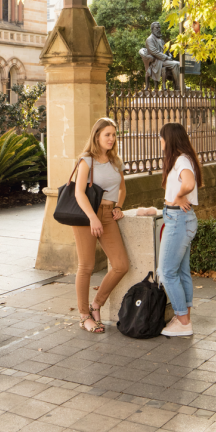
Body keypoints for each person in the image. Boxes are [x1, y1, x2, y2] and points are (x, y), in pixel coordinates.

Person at [69, 118, 129, 333]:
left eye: (113, 135)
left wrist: (119, 206)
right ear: (97, 136)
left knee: (121, 264)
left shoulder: (116, 162)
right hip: (87, 216)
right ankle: (84, 315)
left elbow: (122, 189)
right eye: (107, 135)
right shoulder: (86, 160)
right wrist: (93, 218)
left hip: (108, 215)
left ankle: (96, 305)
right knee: (86, 266)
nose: (111, 139)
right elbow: (78, 193)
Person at [158, 123, 203, 338]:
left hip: (178, 219)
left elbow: (189, 183)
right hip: (181, 219)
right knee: (181, 272)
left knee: (166, 272)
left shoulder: (181, 160)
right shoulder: (184, 158)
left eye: (161, 139)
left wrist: (178, 197)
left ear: (169, 139)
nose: (161, 143)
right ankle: (185, 317)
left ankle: (183, 322)